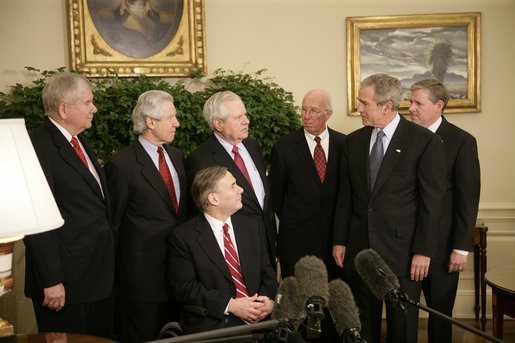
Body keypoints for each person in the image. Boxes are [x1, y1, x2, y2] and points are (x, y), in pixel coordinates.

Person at [332, 73, 446, 343]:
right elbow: (346, 196)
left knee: (402, 328)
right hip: (360, 251)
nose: (358, 108)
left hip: (403, 255)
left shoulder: (424, 142)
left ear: (387, 106)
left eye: (364, 103)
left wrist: (423, 252)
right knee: (362, 326)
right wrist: (339, 240)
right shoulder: (354, 141)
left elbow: (432, 203)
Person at [24, 72, 115, 337]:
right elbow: (37, 220)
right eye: (87, 102)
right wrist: (52, 280)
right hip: (64, 284)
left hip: (97, 277)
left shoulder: (79, 140)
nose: (94, 108)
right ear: (64, 109)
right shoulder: (37, 146)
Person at [105, 90, 189, 342]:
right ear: (150, 121)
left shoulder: (176, 156)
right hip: (141, 282)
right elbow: (113, 226)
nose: (177, 123)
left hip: (179, 275)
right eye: (171, 118)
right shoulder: (121, 165)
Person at [409, 79, 481, 343]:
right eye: (411, 101)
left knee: (440, 316)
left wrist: (461, 248)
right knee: (404, 313)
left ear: (439, 105)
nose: (411, 108)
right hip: (405, 243)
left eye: (418, 103)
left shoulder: (462, 142)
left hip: (443, 247)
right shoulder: (404, 137)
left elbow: (467, 198)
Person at [167, 166, 278, 333]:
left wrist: (267, 301)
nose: (241, 189)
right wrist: (231, 305)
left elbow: (267, 271)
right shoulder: (183, 237)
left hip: (263, 319)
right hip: (218, 323)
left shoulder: (252, 226)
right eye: (233, 185)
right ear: (214, 199)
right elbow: (185, 288)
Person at [186, 91, 277, 270]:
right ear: (218, 124)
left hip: (266, 238)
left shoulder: (252, 146)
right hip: (234, 248)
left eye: (245, 114)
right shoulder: (200, 159)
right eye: (238, 117)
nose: (246, 121)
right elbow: (203, 212)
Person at [269, 89, 345, 279]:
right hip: (296, 241)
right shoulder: (283, 147)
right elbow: (277, 195)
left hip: (335, 244)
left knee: (334, 301)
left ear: (328, 114)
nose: (306, 116)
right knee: (297, 301)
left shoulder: (345, 144)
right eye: (303, 110)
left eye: (314, 111)